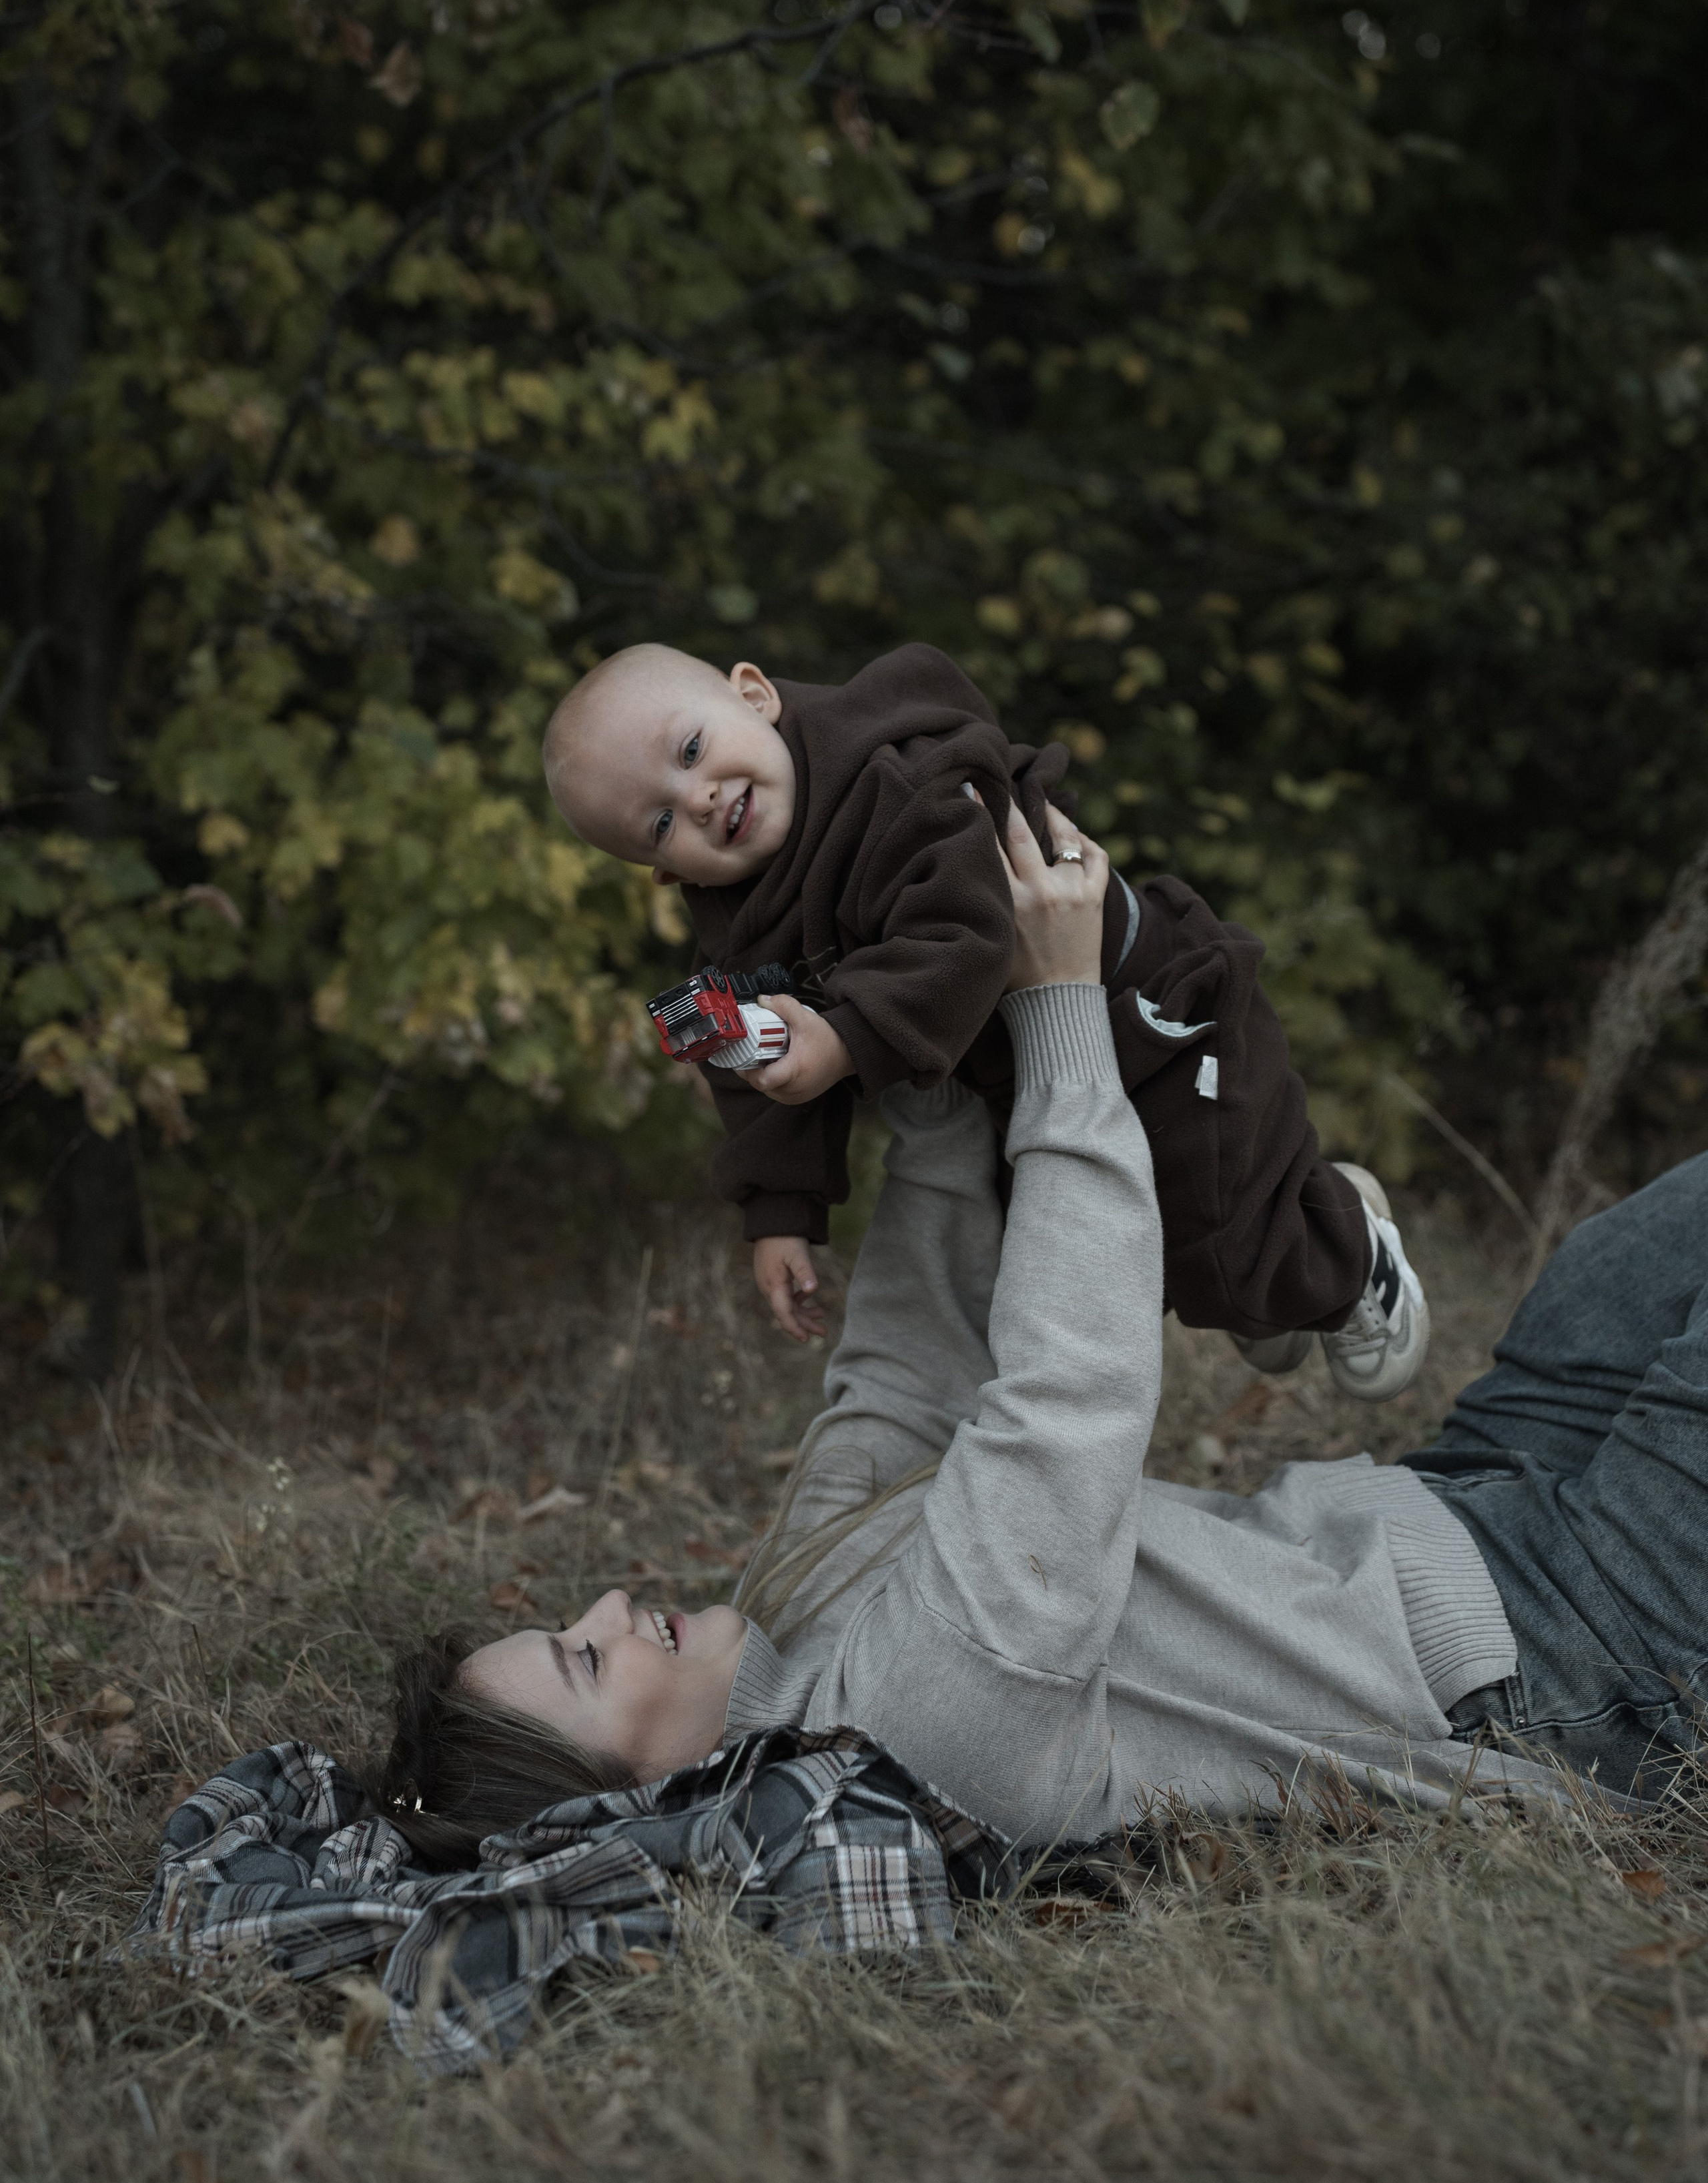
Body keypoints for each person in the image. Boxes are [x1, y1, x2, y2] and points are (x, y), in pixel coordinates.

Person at [381, 805, 1708, 1855]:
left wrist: (922, 1073)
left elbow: (901, 1383)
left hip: (1454, 1518)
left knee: (1621, 1258)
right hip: (1561, 1656)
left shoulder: (785, 1612)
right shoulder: (905, 1731)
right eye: (584, 1659)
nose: (614, 1606)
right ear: (622, 1797)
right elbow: (1064, 1397)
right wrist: (1057, 1004)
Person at [541, 638, 1427, 1402]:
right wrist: (780, 1208)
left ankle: (1349, 1261)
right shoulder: (740, 914)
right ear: (662, 871)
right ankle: (1274, 1262)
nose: (694, 798)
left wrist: (846, 1038)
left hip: (1147, 1014)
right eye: (659, 821)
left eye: (692, 749)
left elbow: (970, 935)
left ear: (754, 693)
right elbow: (758, 1069)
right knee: (1103, 1254)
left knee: (1226, 1227)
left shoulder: (898, 779)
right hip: (1023, 1077)